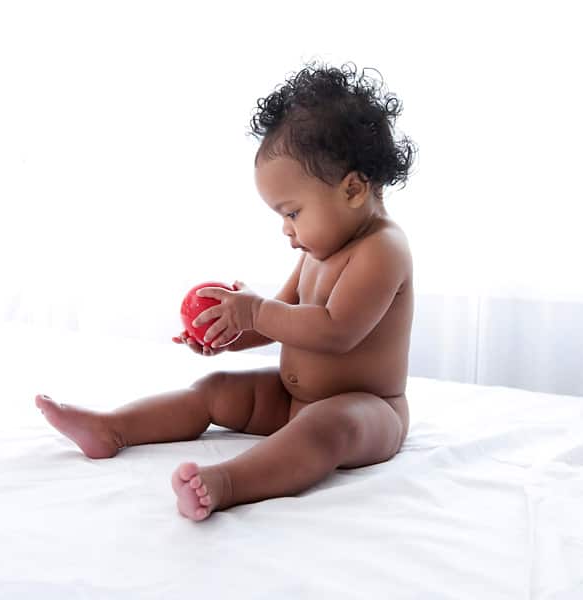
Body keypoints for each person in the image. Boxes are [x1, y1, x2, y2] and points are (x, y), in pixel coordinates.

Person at [35, 62, 417, 521]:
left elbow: (336, 332)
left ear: (352, 189)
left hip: (370, 412)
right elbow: (284, 318)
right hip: (292, 400)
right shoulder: (320, 248)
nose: (286, 229)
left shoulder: (382, 250)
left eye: (292, 212)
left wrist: (254, 311)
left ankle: (228, 482)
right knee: (214, 391)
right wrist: (232, 331)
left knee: (326, 426)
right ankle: (112, 428)